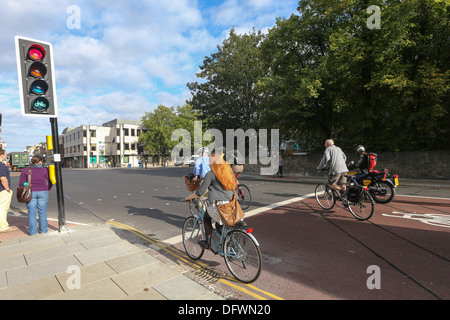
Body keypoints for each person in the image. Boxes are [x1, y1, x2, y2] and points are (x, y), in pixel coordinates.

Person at [185, 153, 236, 249]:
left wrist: (189, 197)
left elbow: (200, 192)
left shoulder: (211, 174)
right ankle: (229, 245)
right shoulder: (227, 173)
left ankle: (207, 243)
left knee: (206, 217)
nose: (208, 165)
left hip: (220, 206)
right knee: (219, 225)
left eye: (209, 163)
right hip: (231, 204)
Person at [19, 155, 53, 235]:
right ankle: (43, 230)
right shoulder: (45, 170)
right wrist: (48, 188)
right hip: (43, 191)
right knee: (42, 212)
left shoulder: (25, 170)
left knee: (31, 212)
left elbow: (21, 184)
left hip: (31, 192)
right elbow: (50, 180)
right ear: (40, 161)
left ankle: (32, 232)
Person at [0, 149, 16, 232]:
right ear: (1, 155)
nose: (6, 156)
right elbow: (3, 178)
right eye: (5, 155)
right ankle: (3, 226)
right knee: (3, 208)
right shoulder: (1, 166)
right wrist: (7, 189)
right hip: (2, 190)